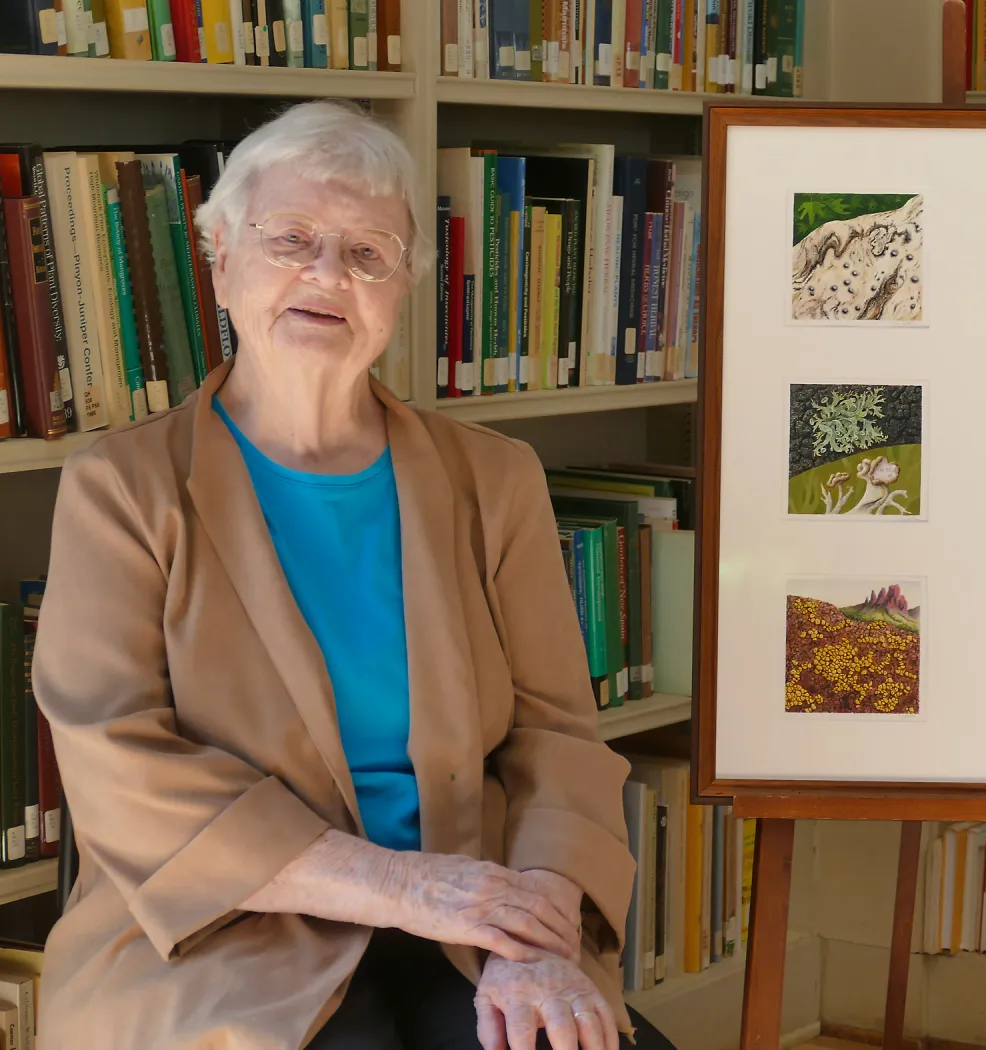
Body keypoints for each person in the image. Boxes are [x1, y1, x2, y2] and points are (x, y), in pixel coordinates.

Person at [32, 99, 676, 1050]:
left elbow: (558, 741)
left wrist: (533, 931)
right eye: (289, 238)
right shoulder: (121, 487)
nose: (327, 274)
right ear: (219, 260)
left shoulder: (495, 479)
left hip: (474, 921)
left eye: (368, 251)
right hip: (225, 939)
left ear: (403, 285)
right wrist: (405, 888)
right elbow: (117, 761)